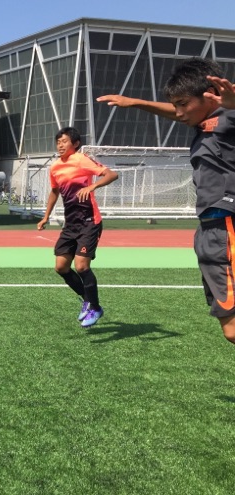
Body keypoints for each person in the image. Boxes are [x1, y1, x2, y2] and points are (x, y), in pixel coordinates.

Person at [97, 58, 235, 343]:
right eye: (176, 105)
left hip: (227, 226)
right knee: (230, 326)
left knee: (232, 328)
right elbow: (178, 112)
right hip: (210, 230)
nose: (179, 112)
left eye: (183, 104)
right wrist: (134, 102)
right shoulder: (205, 122)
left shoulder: (229, 118)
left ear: (211, 94)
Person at [37, 126, 119, 327]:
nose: (60, 145)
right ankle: (88, 301)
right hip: (71, 224)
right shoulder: (55, 167)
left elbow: (111, 174)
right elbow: (54, 192)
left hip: (89, 221)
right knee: (61, 267)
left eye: (64, 141)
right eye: (58, 142)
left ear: (75, 144)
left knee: (82, 266)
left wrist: (93, 186)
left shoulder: (81, 159)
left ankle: (95, 307)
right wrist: (46, 216)